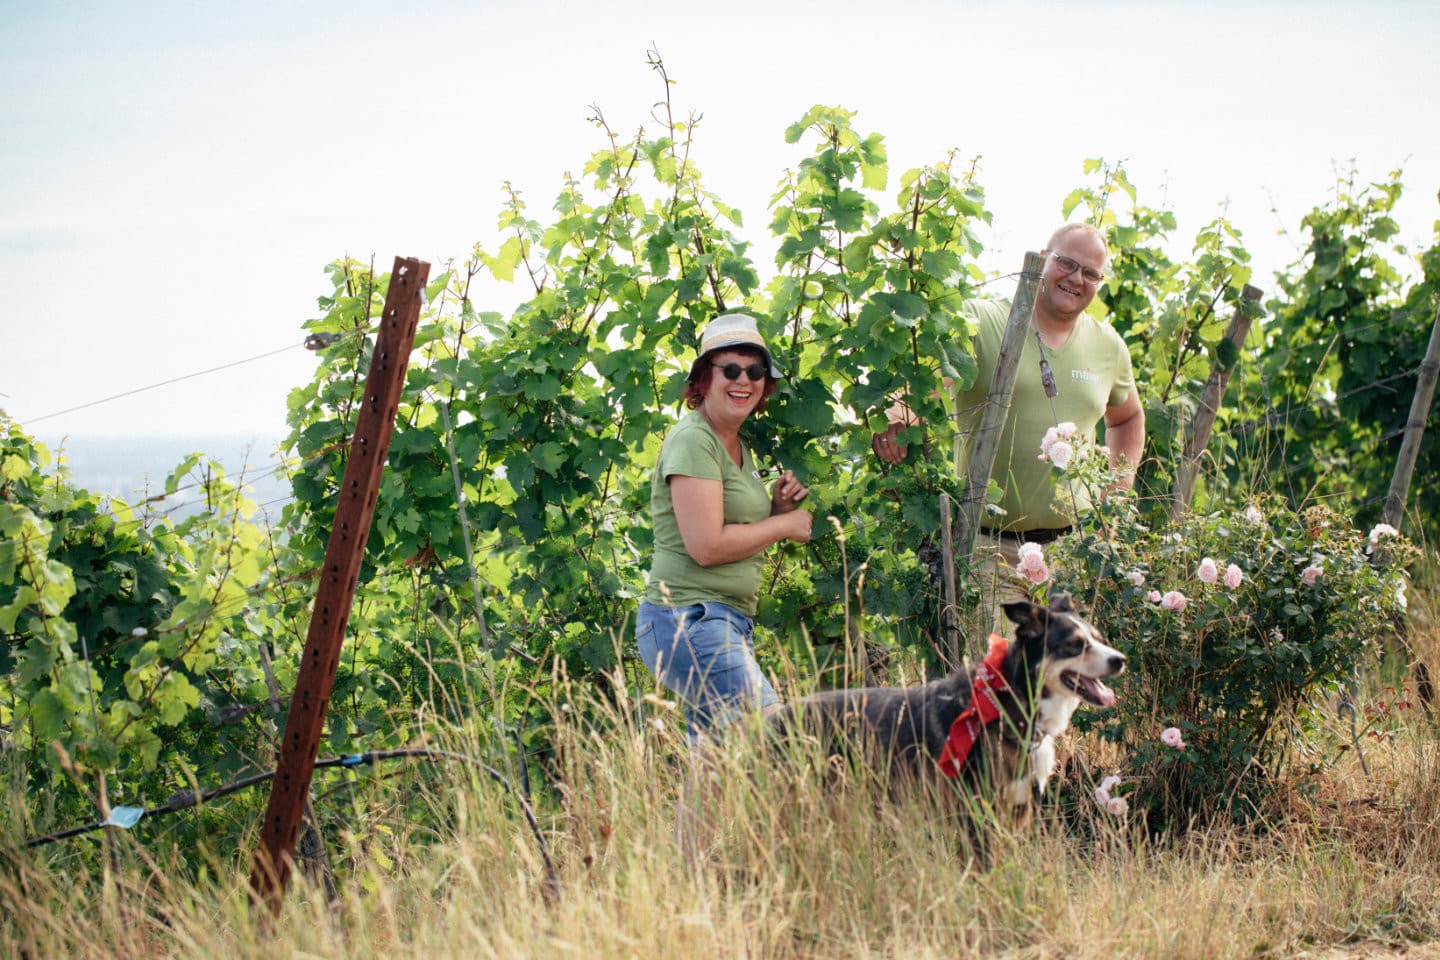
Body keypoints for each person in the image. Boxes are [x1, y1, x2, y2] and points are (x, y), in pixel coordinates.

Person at [871, 223, 1145, 633]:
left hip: (1072, 552)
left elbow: (1126, 418)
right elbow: (927, 381)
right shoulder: (985, 320)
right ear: (1041, 258)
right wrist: (899, 415)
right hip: (988, 550)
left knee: (1062, 686)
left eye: (1091, 273)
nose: (1076, 279)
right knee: (997, 682)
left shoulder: (1108, 345)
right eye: (1066, 263)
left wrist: (1116, 496)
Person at [637, 311, 813, 744]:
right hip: (691, 617)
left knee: (715, 776)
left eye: (755, 371)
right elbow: (707, 546)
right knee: (779, 739)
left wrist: (775, 509)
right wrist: (785, 525)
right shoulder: (695, 439)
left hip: (718, 621)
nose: (744, 380)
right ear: (702, 380)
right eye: (730, 369)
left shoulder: (733, 444)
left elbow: (732, 536)